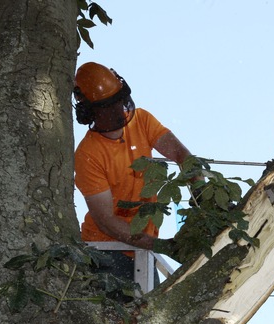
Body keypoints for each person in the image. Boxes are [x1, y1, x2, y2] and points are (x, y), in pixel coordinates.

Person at [73, 62, 192, 282]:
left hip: (140, 248)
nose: (116, 113)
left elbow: (179, 153)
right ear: (89, 112)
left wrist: (200, 188)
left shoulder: (142, 121)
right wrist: (162, 246)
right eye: (106, 109)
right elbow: (106, 221)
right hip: (105, 251)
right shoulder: (87, 154)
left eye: (117, 103)